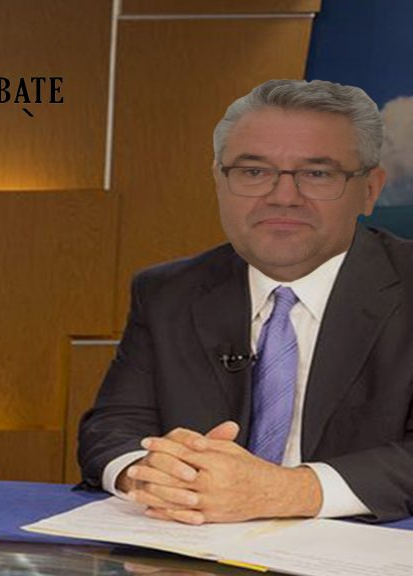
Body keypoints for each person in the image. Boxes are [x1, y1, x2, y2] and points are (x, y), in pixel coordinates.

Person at [78, 79, 413, 524]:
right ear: (220, 182)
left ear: (370, 190)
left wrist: (289, 491)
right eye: (254, 172)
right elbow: (112, 428)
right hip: (190, 544)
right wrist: (150, 473)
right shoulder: (167, 293)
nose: (283, 196)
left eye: (317, 174)